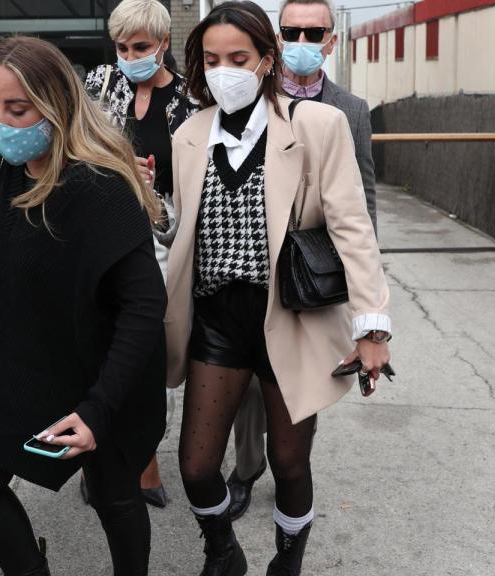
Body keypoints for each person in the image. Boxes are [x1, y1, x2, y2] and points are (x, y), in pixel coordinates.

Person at [166, 3, 392, 575]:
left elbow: (351, 226)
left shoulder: (318, 126)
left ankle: (287, 562)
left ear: (266, 60)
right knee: (195, 465)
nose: (225, 72)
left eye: (238, 58)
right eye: (212, 60)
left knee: (290, 464)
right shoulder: (189, 135)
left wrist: (372, 328)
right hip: (217, 319)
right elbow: (183, 229)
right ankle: (223, 550)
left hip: (289, 317)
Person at [0, 37, 167, 576]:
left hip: (105, 380)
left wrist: (97, 409)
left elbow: (142, 308)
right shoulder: (22, 163)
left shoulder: (100, 186)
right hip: (36, 362)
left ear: (58, 102)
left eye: (18, 109)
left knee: (114, 494)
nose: (2, 124)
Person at [226, 0, 382, 523]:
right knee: (246, 385)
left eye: (313, 31)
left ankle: (290, 468)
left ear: (331, 41)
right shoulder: (249, 93)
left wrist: (363, 286)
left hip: (311, 273)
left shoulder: (351, 110)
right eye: (290, 29)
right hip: (249, 270)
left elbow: (362, 197)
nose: (301, 39)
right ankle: (245, 471)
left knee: (300, 383)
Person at [82, 0, 202, 510]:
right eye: (121, 46)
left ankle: (147, 461)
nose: (128, 56)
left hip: (161, 238)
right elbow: (74, 145)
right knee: (96, 349)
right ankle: (98, 463)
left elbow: (196, 184)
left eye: (140, 47)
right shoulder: (99, 84)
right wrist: (115, 169)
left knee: (149, 353)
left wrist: (152, 191)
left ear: (164, 44)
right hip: (96, 233)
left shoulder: (191, 101)